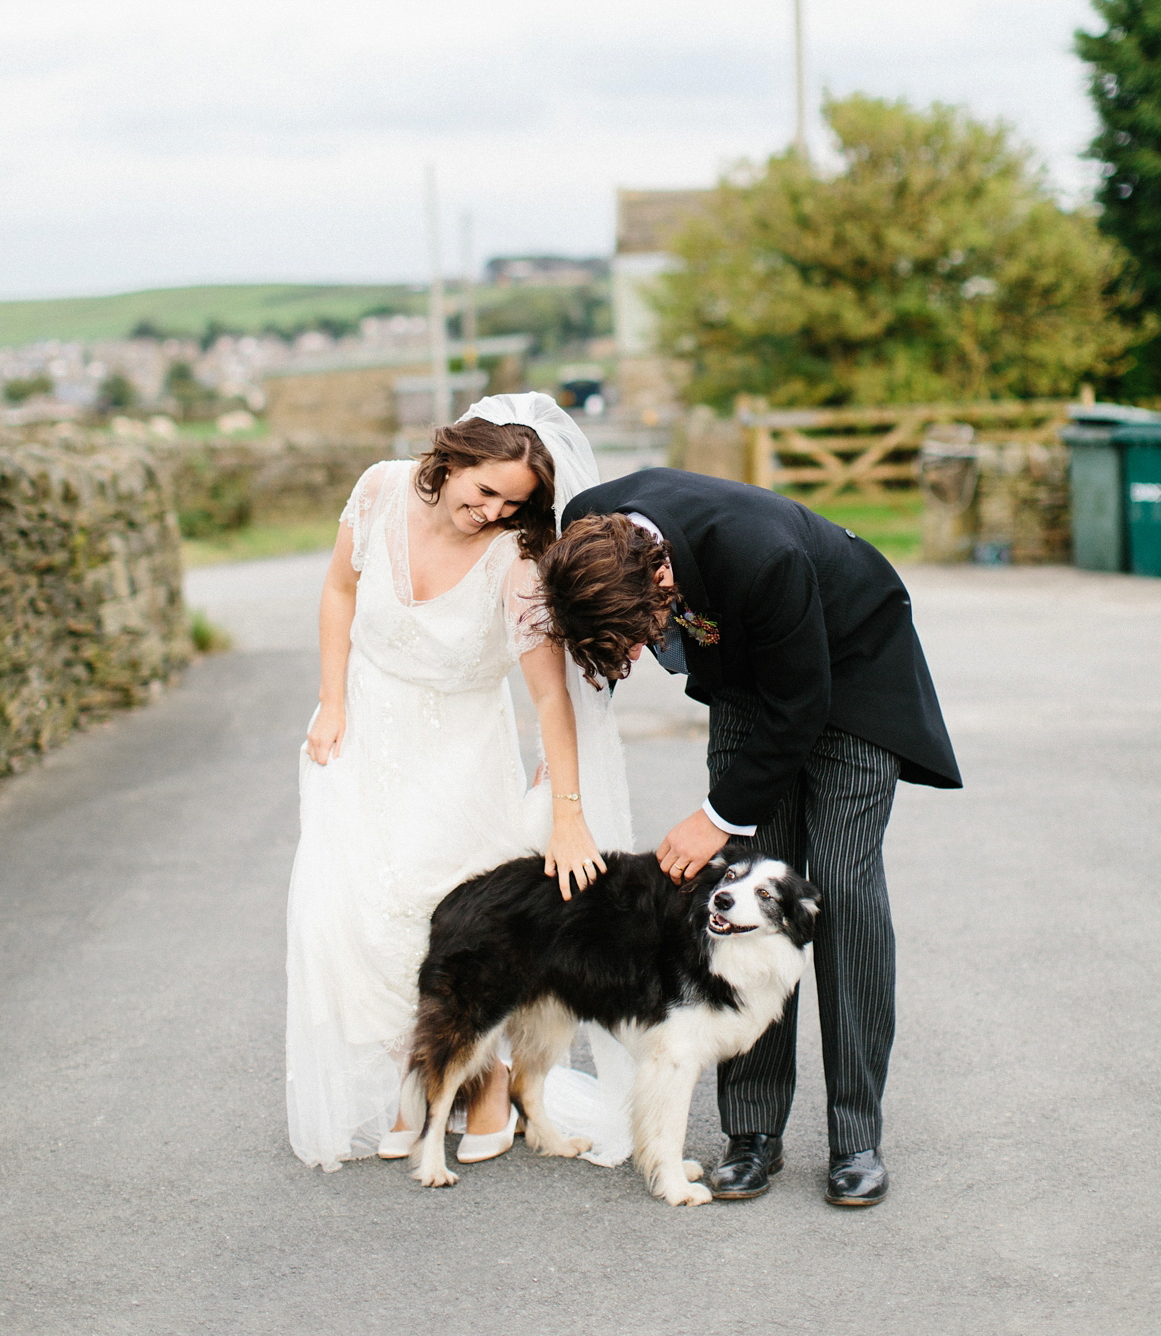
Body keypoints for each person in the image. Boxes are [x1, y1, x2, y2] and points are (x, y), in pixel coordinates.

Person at [536, 467, 961, 1209]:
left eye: (643, 635)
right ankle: (753, 1134)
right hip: (745, 677)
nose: (641, 653)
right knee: (738, 896)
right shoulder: (588, 527)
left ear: (661, 577)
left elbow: (801, 706)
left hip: (854, 670)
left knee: (840, 886)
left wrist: (714, 813)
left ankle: (856, 1136)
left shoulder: (764, 554)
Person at [285, 394, 634, 1173]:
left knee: (438, 911)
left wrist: (568, 813)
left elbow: (549, 695)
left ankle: (490, 1082)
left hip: (459, 752)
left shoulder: (516, 561)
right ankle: (420, 1078)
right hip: (364, 728)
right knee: (351, 914)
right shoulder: (379, 490)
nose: (492, 512)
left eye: (514, 503)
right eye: (483, 492)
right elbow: (339, 590)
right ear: (448, 463)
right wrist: (333, 701)